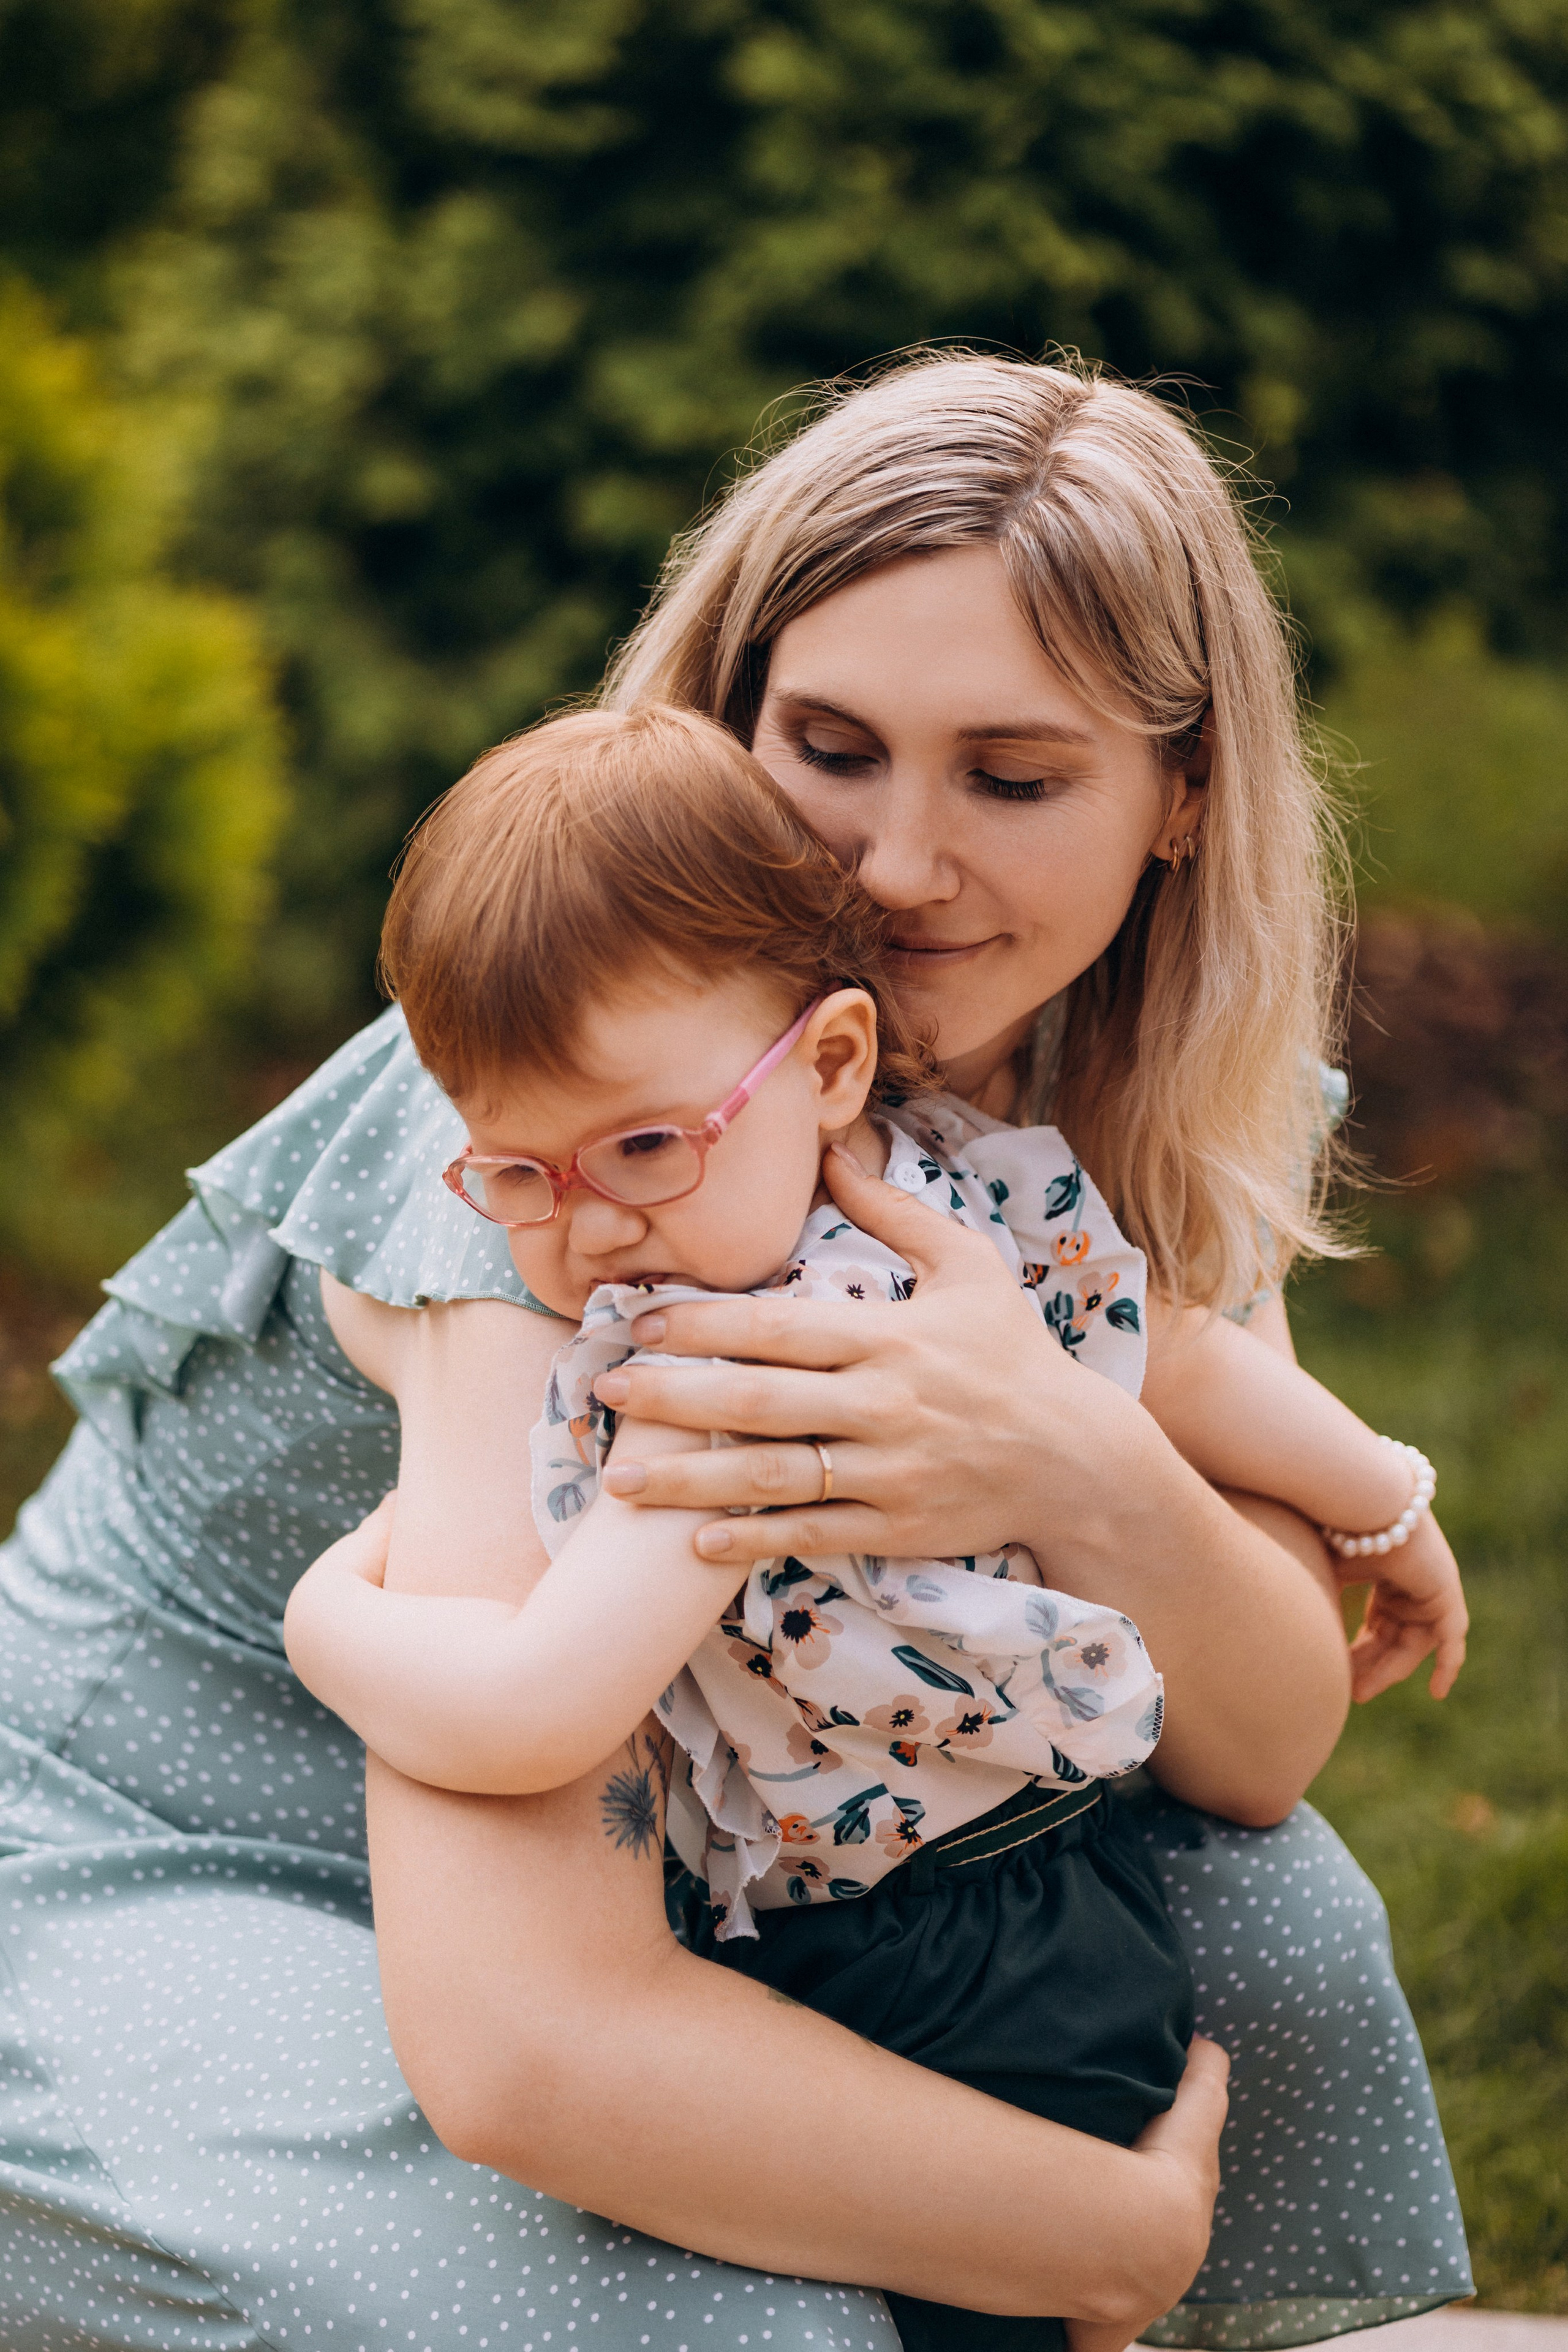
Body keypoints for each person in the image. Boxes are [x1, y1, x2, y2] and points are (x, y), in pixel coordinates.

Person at [0, 352, 1469, 2352]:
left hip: (729, 1847)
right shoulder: (570, 1160)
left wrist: (1078, 1458)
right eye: (831, 746)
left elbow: (1263, 1742)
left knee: (1277, 1933)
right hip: (196, 1851)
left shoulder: (1143, 1092)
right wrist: (1097, 2241)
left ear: (1186, 792)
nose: (891, 868)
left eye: (1014, 778)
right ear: (725, 718)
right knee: (759, 2338)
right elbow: (528, 2044)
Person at [283, 702, 1464, 2352]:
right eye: (520, 1180)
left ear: (831, 1057)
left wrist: (328, 1615)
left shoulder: (727, 1375)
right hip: (1065, 1909)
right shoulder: (949, 1188)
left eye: (640, 1146)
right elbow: (1163, 1353)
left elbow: (529, 1709)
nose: (594, 1228)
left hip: (920, 1970)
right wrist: (1379, 1493)